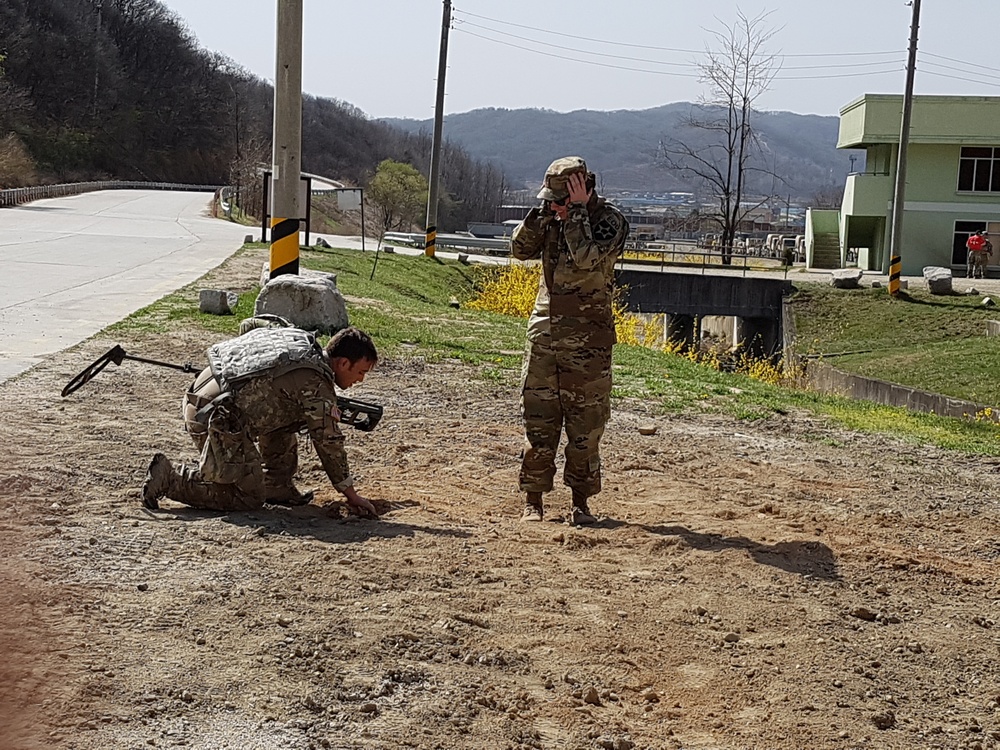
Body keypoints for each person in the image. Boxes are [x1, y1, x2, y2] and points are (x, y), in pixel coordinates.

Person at [141, 325, 379, 517]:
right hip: (213, 419)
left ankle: (277, 486)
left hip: (203, 397)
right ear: (343, 363)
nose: (360, 380)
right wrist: (350, 493)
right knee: (247, 497)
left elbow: (252, 326)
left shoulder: (301, 343)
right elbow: (327, 440)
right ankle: (171, 480)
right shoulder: (315, 383)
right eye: (361, 372)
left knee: (292, 413)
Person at [510, 156, 629, 525]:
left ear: (585, 190)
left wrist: (575, 214)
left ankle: (581, 502)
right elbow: (519, 249)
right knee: (539, 421)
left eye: (560, 199)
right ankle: (533, 500)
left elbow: (586, 259)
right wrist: (541, 215)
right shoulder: (552, 215)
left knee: (585, 427)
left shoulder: (609, 221)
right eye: (551, 200)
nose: (554, 206)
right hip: (546, 335)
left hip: (588, 343)